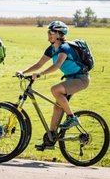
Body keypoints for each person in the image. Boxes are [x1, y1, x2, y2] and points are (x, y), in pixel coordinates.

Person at [19, 20, 90, 150]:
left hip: (81, 79)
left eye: (51, 32)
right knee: (57, 108)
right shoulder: (52, 48)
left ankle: (72, 118)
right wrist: (23, 72)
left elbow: (56, 65)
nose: (49, 34)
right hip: (71, 79)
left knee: (55, 90)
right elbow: (39, 64)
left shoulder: (65, 48)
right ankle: (50, 139)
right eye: (49, 32)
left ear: (59, 34)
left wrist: (40, 74)